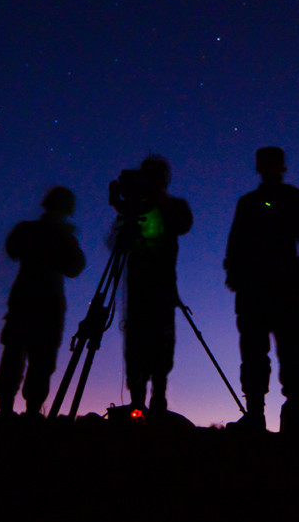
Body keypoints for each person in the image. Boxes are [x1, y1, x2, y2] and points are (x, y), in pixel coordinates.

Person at [223, 146, 299, 431]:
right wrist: (234, 272)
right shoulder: (254, 202)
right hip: (259, 287)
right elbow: (235, 243)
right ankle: (260, 414)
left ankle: (292, 414)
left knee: (286, 349)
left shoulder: (290, 199)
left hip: (279, 286)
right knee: (259, 351)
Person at [0, 187, 86, 416]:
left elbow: (13, 250)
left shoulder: (28, 230)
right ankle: (27, 410)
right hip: (44, 303)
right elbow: (75, 267)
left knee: (24, 357)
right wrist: (61, 239)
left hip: (31, 301)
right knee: (32, 358)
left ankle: (14, 409)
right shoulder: (53, 235)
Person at [109, 155, 193, 413]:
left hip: (162, 288)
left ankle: (157, 400)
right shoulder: (137, 208)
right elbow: (119, 243)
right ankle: (137, 402)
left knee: (161, 346)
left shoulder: (173, 207)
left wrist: (154, 201)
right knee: (136, 346)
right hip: (140, 289)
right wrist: (122, 205)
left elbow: (185, 224)